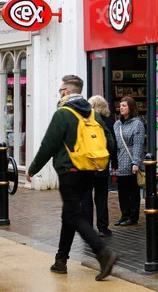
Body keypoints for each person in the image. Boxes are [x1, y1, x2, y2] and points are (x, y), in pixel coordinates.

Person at [25, 75, 118, 280]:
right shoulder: (94, 114)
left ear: (66, 92)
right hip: (89, 171)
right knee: (70, 213)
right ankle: (61, 260)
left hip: (69, 173)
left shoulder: (63, 114)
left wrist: (32, 169)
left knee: (74, 215)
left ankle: (103, 253)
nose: (59, 94)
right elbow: (110, 143)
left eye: (60, 90)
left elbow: (48, 145)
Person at [82, 95, 118, 237]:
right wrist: (113, 162)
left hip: (87, 164)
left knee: (86, 197)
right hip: (102, 164)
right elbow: (112, 143)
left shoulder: (85, 121)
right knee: (101, 197)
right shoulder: (108, 121)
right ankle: (103, 227)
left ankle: (88, 228)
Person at [113, 96, 145, 226]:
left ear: (131, 108)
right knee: (122, 193)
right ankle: (124, 215)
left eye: (124, 105)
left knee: (133, 192)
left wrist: (136, 162)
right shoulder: (117, 124)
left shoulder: (137, 124)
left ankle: (133, 217)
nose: (121, 108)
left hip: (131, 162)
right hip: (120, 162)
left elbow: (138, 144)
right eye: (120, 105)